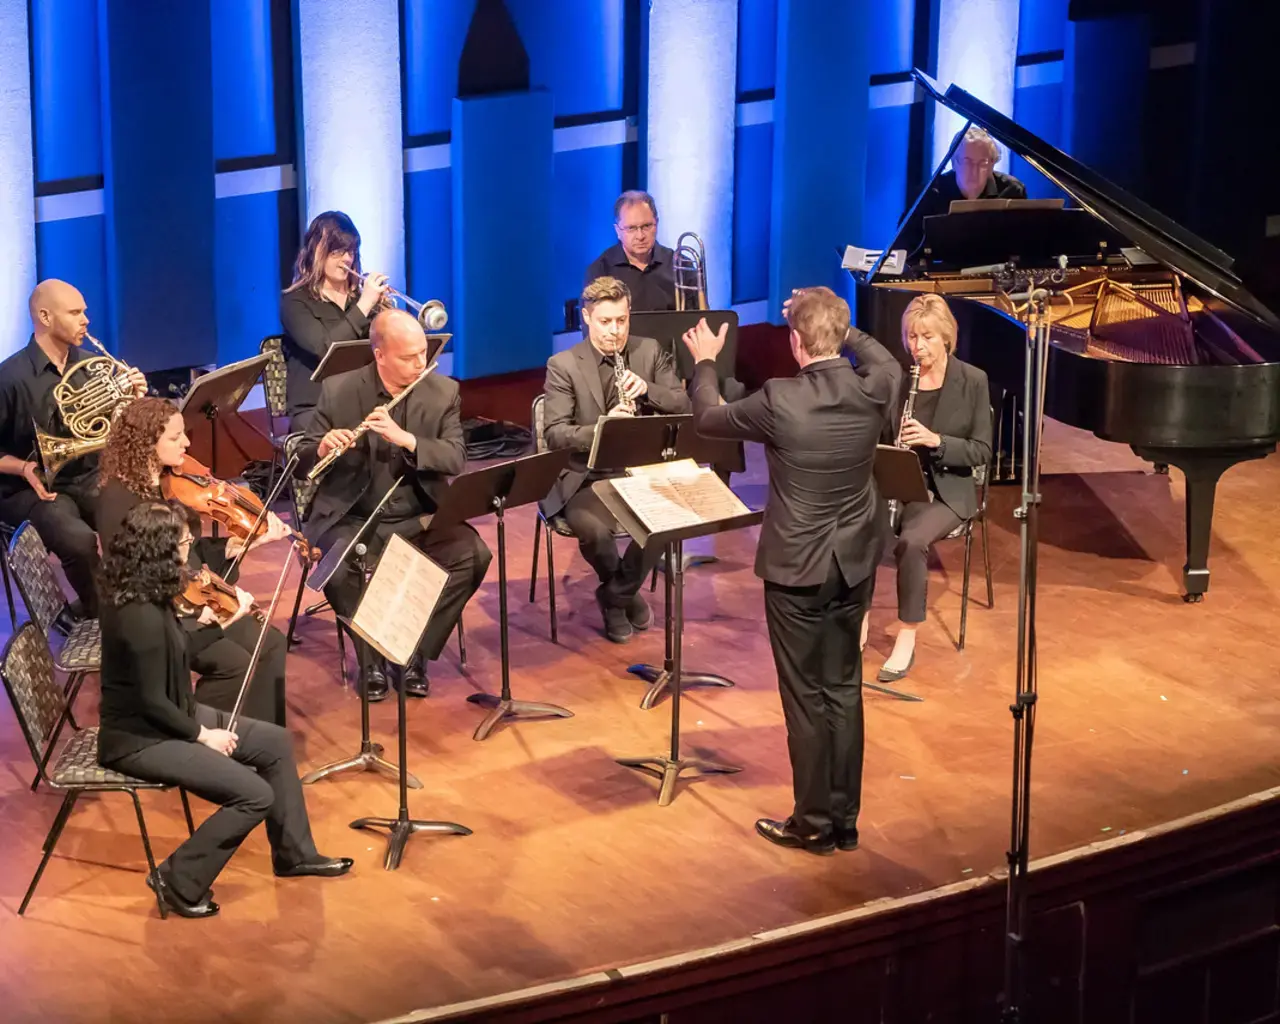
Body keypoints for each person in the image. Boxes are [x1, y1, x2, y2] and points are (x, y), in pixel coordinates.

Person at [681, 286, 901, 855]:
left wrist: (705, 359)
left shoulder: (780, 398)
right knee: (844, 690)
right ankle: (844, 821)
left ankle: (812, 823)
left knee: (805, 697)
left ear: (796, 343)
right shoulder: (874, 387)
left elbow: (707, 416)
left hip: (797, 568)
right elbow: (882, 358)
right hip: (854, 563)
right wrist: (837, 321)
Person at [96, 502, 352, 919]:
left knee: (275, 742)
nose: (189, 547)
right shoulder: (137, 614)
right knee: (254, 795)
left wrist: (220, 625)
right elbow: (150, 700)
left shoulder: (150, 592)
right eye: (182, 541)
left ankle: (294, 854)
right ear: (159, 549)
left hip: (169, 715)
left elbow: (174, 656)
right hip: (140, 738)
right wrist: (202, 736)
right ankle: (177, 879)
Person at [297, 308, 491, 700]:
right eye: (408, 357)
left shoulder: (443, 392)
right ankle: (370, 661)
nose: (421, 363)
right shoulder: (339, 390)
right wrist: (321, 447)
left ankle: (411, 652)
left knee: (474, 554)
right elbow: (299, 458)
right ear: (380, 354)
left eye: (424, 353)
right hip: (352, 515)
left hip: (418, 515)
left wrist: (408, 440)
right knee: (338, 571)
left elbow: (455, 457)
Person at [97, 398, 294, 725]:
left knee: (270, 641)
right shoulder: (119, 502)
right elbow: (143, 579)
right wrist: (203, 611)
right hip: (154, 614)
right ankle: (200, 740)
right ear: (146, 442)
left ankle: (260, 739)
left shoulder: (163, 483)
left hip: (186, 593)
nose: (187, 443)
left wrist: (240, 543)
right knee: (234, 665)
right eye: (175, 438)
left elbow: (191, 553)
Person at [541, 276, 691, 643]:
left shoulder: (649, 351)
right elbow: (555, 433)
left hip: (639, 472)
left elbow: (683, 405)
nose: (615, 332)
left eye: (621, 321)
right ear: (587, 319)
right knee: (594, 532)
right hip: (585, 475)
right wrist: (605, 430)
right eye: (606, 322)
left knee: (669, 519)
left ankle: (613, 597)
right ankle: (628, 593)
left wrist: (649, 390)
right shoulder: (563, 365)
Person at [0, 280, 146, 618]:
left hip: (87, 474)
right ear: (45, 316)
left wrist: (133, 403)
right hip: (32, 487)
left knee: (139, 516)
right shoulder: (10, 378)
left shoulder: (93, 366)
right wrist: (23, 467)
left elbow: (113, 430)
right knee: (77, 539)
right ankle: (101, 616)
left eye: (85, 312)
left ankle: (141, 604)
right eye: (76, 312)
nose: (86, 320)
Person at [875, 295, 992, 683]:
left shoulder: (972, 381)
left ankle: (906, 636)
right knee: (855, 528)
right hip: (902, 485)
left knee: (911, 542)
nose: (917, 346)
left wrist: (935, 441)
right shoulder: (902, 380)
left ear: (946, 338)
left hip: (947, 492)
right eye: (912, 337)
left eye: (926, 337)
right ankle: (855, 622)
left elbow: (981, 451)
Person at [280, 211, 393, 426]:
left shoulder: (361, 299)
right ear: (316, 252)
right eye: (338, 251)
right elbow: (325, 349)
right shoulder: (295, 302)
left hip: (363, 401)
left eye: (351, 251)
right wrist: (364, 305)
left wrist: (387, 314)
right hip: (315, 408)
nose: (347, 259)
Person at [899, 126, 1027, 256]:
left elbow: (1024, 246)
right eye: (967, 162)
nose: (974, 170)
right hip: (939, 274)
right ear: (954, 163)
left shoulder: (1012, 190)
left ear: (992, 164)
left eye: (982, 162)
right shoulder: (927, 195)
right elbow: (903, 249)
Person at [583, 191, 676, 312]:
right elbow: (592, 326)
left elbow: (699, 320)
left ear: (657, 224)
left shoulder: (679, 265)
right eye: (631, 228)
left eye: (647, 226)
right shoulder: (600, 270)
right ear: (618, 231)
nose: (640, 236)